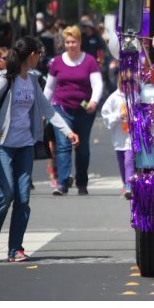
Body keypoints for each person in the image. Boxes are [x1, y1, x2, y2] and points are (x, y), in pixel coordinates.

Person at [0, 36, 78, 262]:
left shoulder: (31, 81)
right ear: (31, 55)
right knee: (8, 192)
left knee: (23, 197)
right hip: (1, 144)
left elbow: (48, 110)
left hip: (24, 146)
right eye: (39, 54)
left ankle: (15, 249)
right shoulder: (5, 80)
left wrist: (68, 132)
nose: (40, 57)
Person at [44, 24, 103, 196]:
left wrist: (93, 102)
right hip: (61, 108)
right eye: (67, 42)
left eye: (74, 42)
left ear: (79, 42)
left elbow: (97, 84)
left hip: (84, 109)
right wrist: (41, 107)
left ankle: (82, 182)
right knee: (62, 146)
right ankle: (62, 183)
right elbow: (49, 88)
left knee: (82, 147)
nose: (70, 45)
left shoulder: (90, 61)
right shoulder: (57, 62)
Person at [100, 72, 133, 199]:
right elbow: (106, 116)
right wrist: (119, 116)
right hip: (119, 136)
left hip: (132, 136)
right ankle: (125, 184)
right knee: (121, 162)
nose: (128, 85)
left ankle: (130, 185)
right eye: (125, 82)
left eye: (131, 81)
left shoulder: (136, 96)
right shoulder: (114, 98)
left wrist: (134, 118)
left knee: (128, 160)